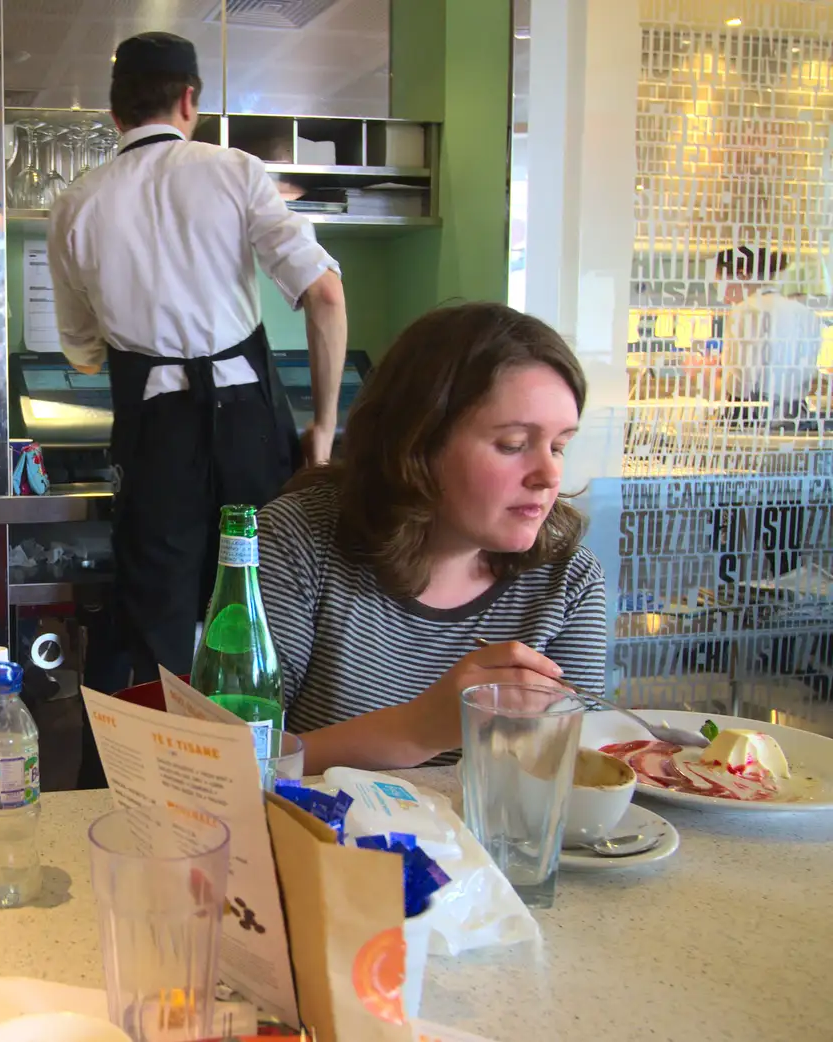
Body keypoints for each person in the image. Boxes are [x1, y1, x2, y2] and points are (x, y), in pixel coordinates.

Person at [46, 30, 349, 690]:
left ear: (114, 111)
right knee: (262, 613)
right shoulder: (237, 172)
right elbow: (325, 295)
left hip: (156, 438)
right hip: (252, 431)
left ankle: (166, 777)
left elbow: (86, 352)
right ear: (190, 101)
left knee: (157, 636)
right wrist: (322, 428)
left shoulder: (76, 205)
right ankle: (265, 771)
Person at [258, 302, 607, 773]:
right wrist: (421, 727)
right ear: (418, 443)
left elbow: (575, 772)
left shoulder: (569, 578)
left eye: (559, 446)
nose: (547, 475)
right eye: (513, 445)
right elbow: (230, 764)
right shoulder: (299, 541)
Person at [720, 257, 829, 424]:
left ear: (743, 275)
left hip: (750, 418)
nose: (724, 296)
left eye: (722, 284)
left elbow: (740, 385)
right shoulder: (805, 313)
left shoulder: (744, 311)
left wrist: (708, 376)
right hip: (795, 415)